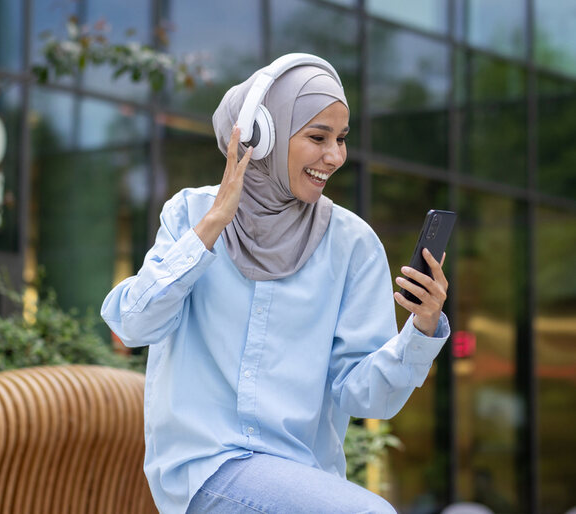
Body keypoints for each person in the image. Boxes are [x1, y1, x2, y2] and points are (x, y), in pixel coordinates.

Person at [101, 53, 450, 514]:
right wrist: (210, 230)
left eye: (341, 139)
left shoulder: (352, 244)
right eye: (317, 137)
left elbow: (363, 395)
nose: (335, 156)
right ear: (264, 137)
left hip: (304, 478)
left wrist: (420, 332)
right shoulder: (190, 213)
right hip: (205, 467)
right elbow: (133, 325)